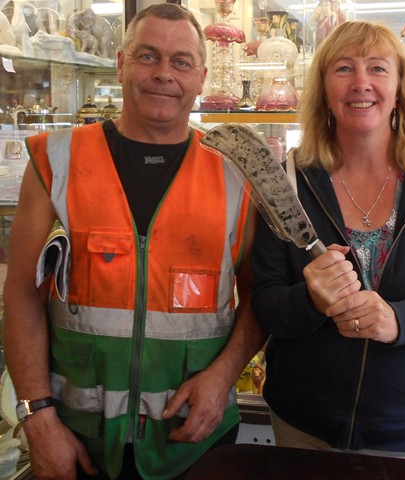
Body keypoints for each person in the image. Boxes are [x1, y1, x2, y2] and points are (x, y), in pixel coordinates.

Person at [2, 3, 265, 479]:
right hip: (77, 440)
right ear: (121, 64)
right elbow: (21, 292)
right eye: (148, 56)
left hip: (194, 441)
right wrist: (36, 415)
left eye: (181, 61)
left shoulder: (235, 174)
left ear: (202, 77)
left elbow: (260, 296)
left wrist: (225, 374)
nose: (164, 73)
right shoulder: (55, 161)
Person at [251, 20, 405, 463]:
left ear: (400, 84)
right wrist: (310, 300)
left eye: (378, 68)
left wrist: (403, 321)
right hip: (302, 427)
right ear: (324, 88)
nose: (361, 83)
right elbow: (264, 301)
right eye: (343, 68)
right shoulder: (289, 180)